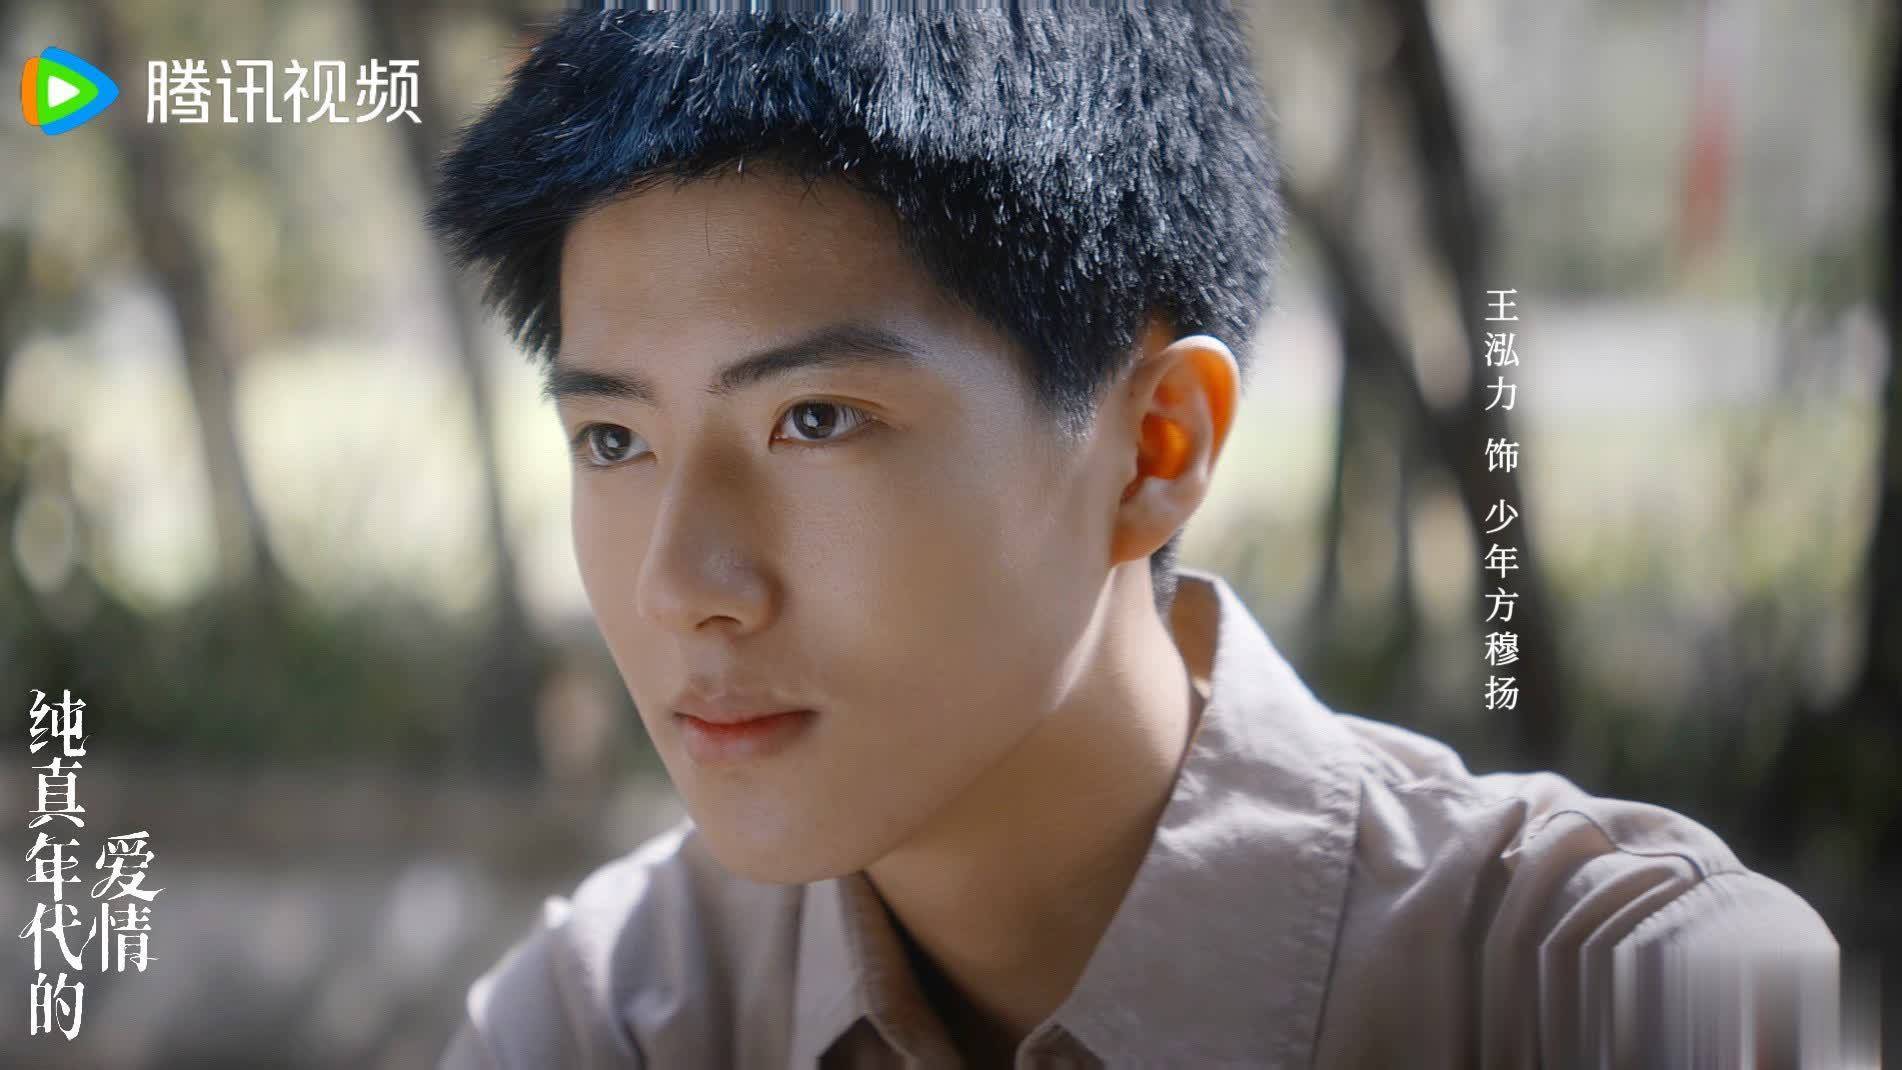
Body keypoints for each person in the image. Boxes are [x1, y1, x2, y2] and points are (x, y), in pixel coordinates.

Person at [428, 5, 1841, 1067]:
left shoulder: (1610, 997)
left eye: (815, 418)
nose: (681, 584)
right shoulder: (603, 1018)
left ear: (1157, 444)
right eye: (611, 439)